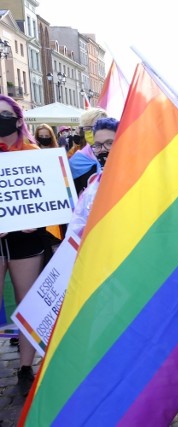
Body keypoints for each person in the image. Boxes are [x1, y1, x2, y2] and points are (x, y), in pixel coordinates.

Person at [0, 94, 47, 396]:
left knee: (26, 302)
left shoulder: (36, 154)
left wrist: (38, 219)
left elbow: (55, 201)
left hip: (26, 239)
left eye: (4, 113)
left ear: (18, 118)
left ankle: (26, 369)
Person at [68, 108, 108, 194]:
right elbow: (72, 193)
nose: (90, 132)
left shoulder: (118, 155)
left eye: (94, 127)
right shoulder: (77, 160)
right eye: (86, 128)